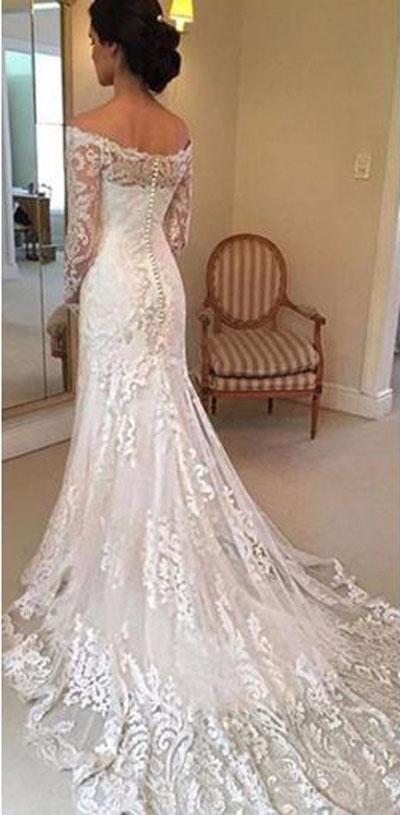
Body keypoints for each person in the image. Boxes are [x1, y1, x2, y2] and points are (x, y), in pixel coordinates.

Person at [2, 1, 399, 813]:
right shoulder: (179, 130)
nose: (91, 52)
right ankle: (156, 540)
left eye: (93, 41)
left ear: (114, 48)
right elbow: (178, 230)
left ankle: (128, 556)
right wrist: (144, 260)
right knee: (161, 415)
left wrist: (71, 300)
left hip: (116, 288)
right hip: (161, 284)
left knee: (119, 423)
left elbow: (81, 242)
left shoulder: (88, 128)